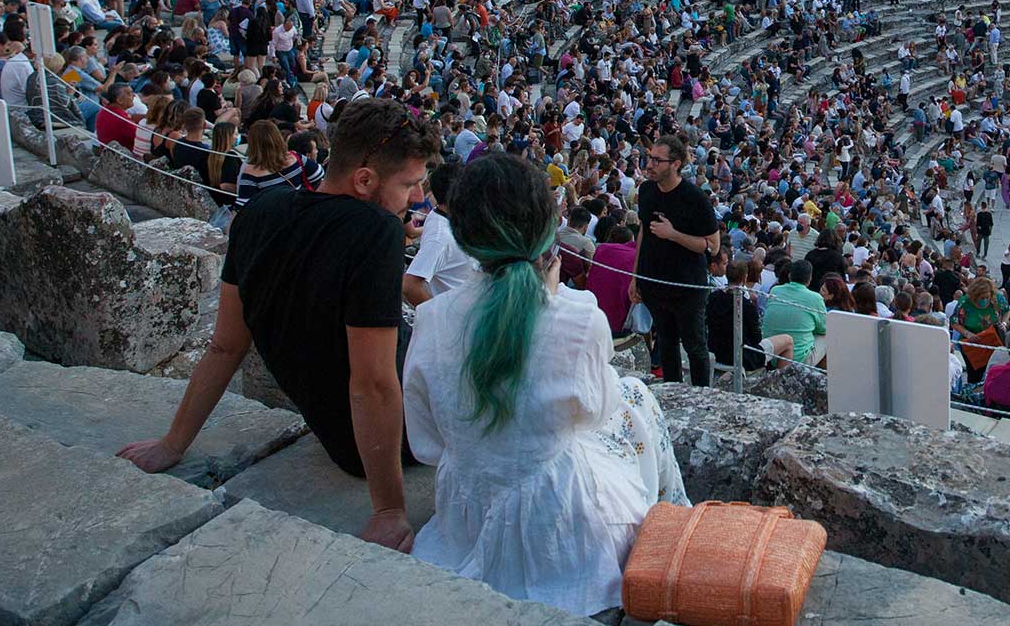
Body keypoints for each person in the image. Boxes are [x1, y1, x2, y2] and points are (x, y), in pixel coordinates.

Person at [119, 99, 441, 552]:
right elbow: (372, 384)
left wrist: (173, 444)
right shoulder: (374, 231)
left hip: (338, 438)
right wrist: (388, 512)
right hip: (407, 431)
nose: (416, 198)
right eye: (409, 184)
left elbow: (225, 347)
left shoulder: (257, 213)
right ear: (365, 180)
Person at [400, 151, 688, 614]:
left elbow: (428, 442)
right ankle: (678, 521)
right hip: (559, 524)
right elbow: (597, 411)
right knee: (635, 395)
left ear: (464, 235)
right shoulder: (578, 318)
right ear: (545, 230)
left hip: (467, 512)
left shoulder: (431, 321)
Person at [632, 134, 720, 386]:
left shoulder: (694, 198)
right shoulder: (646, 189)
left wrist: (674, 235)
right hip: (654, 282)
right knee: (666, 343)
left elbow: (712, 246)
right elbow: (643, 232)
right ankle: (672, 392)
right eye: (650, 158)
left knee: (695, 346)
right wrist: (635, 277)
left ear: (676, 164)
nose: (649, 165)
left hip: (687, 286)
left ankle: (703, 397)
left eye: (657, 161)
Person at [403, 160, 474, 306]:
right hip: (456, 320)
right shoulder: (441, 238)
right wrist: (439, 317)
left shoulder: (440, 215)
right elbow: (410, 285)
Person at [761, 258, 827, 365]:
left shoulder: (775, 290)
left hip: (772, 354)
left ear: (790, 275)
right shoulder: (815, 298)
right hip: (798, 360)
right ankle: (822, 378)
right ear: (810, 279)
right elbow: (823, 329)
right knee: (826, 337)